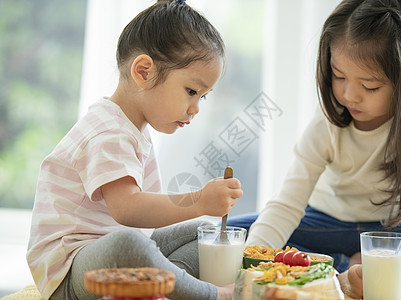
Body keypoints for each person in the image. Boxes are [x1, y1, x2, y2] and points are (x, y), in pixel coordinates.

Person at [227, 0, 401, 298]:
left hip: (388, 235)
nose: (349, 95)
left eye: (370, 86)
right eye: (339, 76)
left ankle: (354, 272)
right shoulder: (327, 126)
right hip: (322, 225)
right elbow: (287, 205)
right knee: (232, 232)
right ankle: (356, 270)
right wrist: (252, 265)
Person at [26, 1, 243, 299]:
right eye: (192, 91)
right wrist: (199, 200)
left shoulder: (132, 127)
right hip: (71, 269)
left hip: (110, 255)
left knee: (200, 233)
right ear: (143, 72)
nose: (194, 109)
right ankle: (211, 294)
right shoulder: (107, 130)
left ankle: (167, 289)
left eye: (202, 97)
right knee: (130, 245)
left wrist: (202, 208)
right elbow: (128, 209)